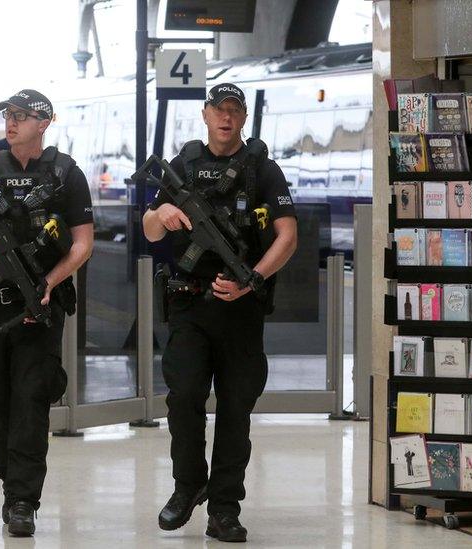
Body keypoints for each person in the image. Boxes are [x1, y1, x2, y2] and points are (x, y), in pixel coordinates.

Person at [143, 83, 298, 542]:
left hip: (241, 311)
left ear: (243, 118)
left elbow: (287, 236)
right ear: (205, 115)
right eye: (219, 109)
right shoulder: (182, 165)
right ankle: (188, 486)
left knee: (236, 409)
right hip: (189, 304)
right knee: (183, 397)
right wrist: (165, 212)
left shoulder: (262, 171)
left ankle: (225, 508)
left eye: (234, 111)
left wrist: (252, 279)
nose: (226, 118)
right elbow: (150, 230)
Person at [0, 89, 94, 537]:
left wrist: (50, 281)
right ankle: (11, 473)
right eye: (9, 115)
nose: (11, 123)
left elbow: (83, 242)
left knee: (31, 398)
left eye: (22, 116)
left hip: (40, 308)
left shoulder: (66, 175)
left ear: (44, 123)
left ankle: (22, 500)